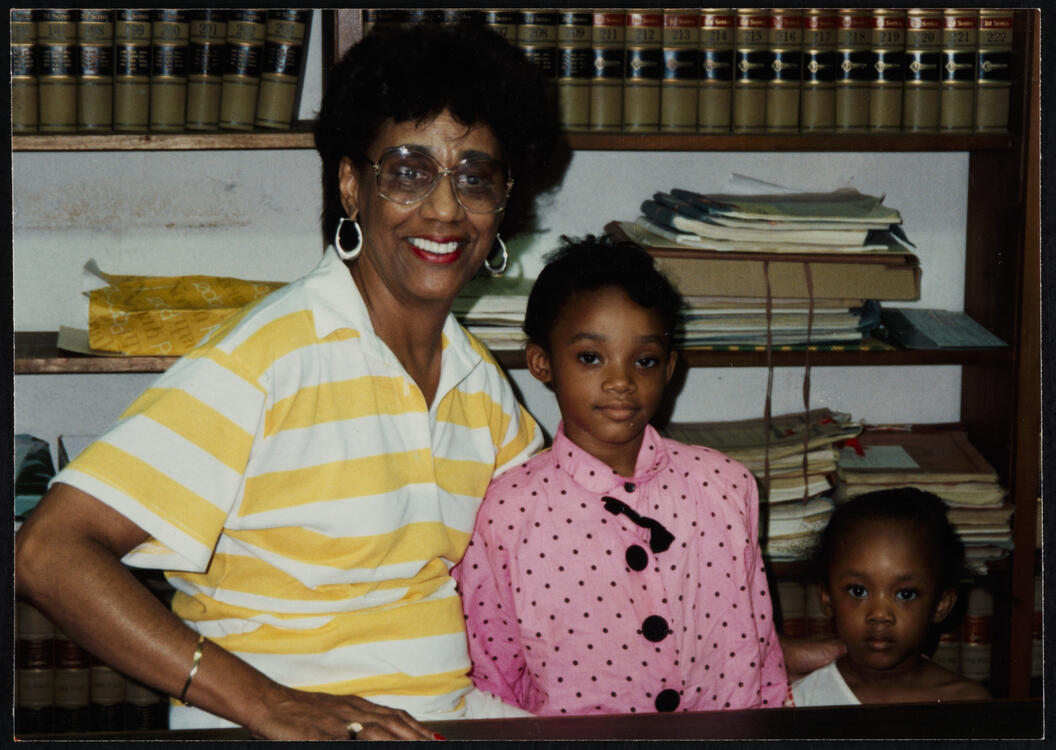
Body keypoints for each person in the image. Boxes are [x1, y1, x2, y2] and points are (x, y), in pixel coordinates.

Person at [15, 23, 559, 740]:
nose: (445, 209)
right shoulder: (273, 357)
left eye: (474, 177)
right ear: (350, 185)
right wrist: (271, 704)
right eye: (407, 170)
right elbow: (48, 552)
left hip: (445, 720)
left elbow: (558, 539)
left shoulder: (479, 385)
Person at [453, 235, 794, 716]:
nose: (621, 381)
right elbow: (493, 681)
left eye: (645, 360)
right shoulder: (505, 513)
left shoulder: (725, 486)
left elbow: (762, 666)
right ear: (541, 362)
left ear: (670, 367)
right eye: (591, 357)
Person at [791, 487, 991, 706]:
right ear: (827, 598)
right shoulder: (800, 702)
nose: (880, 614)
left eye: (905, 594)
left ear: (941, 605)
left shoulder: (966, 704)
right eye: (858, 591)